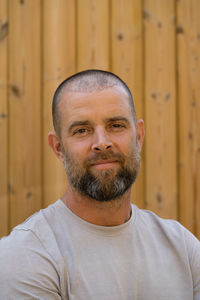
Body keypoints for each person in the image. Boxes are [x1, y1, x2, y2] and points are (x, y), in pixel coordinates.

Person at [0, 69, 199, 299]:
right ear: (58, 148)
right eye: (82, 130)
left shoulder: (182, 248)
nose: (102, 143)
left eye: (116, 125)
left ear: (139, 136)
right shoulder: (26, 254)